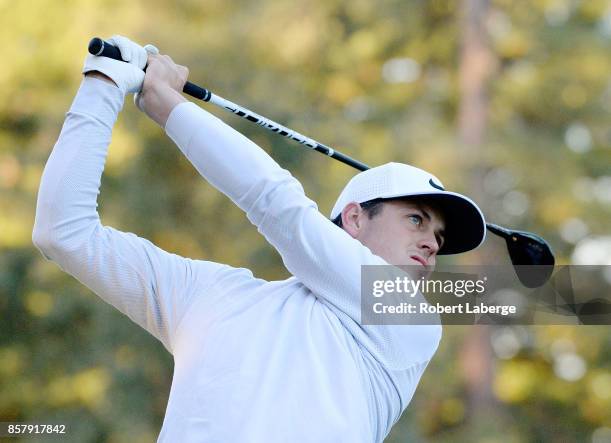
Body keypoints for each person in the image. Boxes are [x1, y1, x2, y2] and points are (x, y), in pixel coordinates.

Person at [33, 36, 486, 442]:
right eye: (416, 220)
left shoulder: (410, 320)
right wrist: (104, 83)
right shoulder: (210, 295)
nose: (432, 243)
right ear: (354, 219)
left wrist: (164, 103)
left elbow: (277, 204)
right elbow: (65, 233)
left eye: (439, 237)